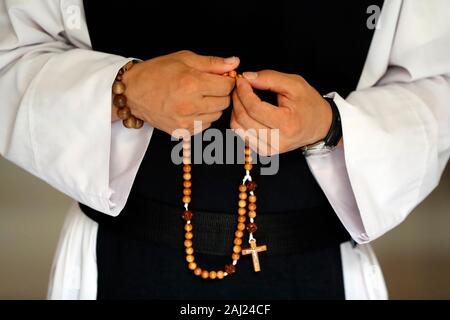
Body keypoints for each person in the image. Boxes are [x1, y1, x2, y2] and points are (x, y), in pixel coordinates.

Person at [0, 0, 449, 300]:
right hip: (120, 259)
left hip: (316, 265)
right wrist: (124, 91)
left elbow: (436, 81)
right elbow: (11, 52)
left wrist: (330, 127)